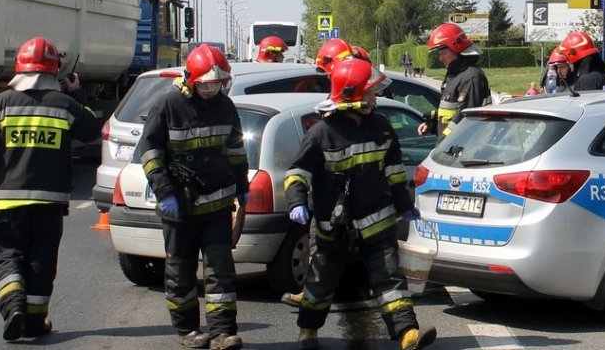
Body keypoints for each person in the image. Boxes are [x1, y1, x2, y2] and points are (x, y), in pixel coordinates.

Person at [285, 58, 436, 350]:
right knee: (321, 281)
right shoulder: (321, 133)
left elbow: (393, 171)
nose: (374, 97)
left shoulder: (380, 127)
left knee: (389, 278)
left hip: (377, 221)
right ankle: (308, 332)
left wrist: (404, 204)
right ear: (354, 95)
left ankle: (407, 333)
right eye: (369, 92)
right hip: (333, 226)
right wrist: (296, 201)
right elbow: (297, 173)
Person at [0, 36, 100, 342]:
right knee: (41, 259)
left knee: (6, 253)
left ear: (20, 69)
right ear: (55, 73)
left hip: (10, 199)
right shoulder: (65, 104)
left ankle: (13, 305)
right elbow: (92, 129)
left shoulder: (0, 104)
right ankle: (35, 323)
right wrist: (76, 94)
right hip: (51, 201)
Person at [139, 44, 249, 350]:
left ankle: (224, 332)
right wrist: (164, 192)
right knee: (180, 273)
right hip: (179, 209)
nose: (212, 90)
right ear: (190, 79)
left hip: (216, 207)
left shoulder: (225, 107)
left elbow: (237, 151)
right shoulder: (168, 106)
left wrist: (243, 185)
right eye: (206, 85)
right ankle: (187, 331)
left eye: (218, 85)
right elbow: (149, 154)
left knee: (221, 272)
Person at [417, 22, 491, 143]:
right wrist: (432, 123)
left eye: (443, 53)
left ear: (457, 49)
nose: (440, 59)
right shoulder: (456, 75)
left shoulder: (471, 77)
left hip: (462, 149)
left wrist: (445, 143)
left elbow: (466, 119)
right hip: (451, 147)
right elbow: (451, 113)